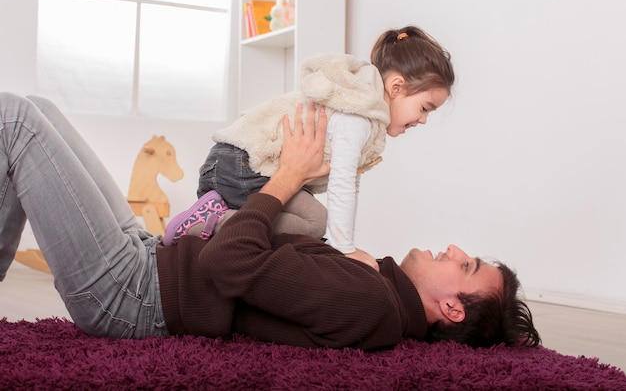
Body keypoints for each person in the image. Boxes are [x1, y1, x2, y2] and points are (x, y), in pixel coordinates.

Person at [0, 93, 540, 349]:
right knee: (39, 108)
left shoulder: (368, 301)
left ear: (450, 308)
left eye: (465, 265)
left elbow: (226, 262)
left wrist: (287, 176)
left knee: (14, 120)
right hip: (148, 260)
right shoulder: (372, 282)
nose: (450, 247)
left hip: (133, 295)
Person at [178, 25, 455, 271]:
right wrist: (344, 248)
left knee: (309, 225)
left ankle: (218, 217)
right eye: (424, 108)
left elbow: (350, 181)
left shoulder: (363, 108)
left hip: (237, 162)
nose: (423, 120)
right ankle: (213, 221)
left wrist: (343, 244)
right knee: (313, 223)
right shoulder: (357, 115)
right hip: (241, 162)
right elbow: (342, 183)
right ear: (396, 87)